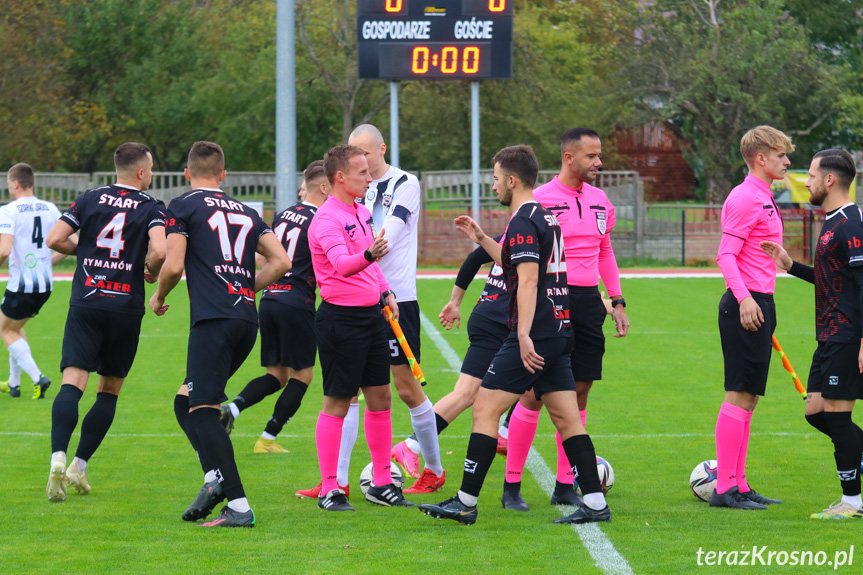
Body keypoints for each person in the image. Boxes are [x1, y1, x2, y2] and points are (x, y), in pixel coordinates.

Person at [419, 144, 610, 525]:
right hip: (559, 329)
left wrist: (522, 335)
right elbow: (513, 260)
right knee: (567, 418)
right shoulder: (545, 216)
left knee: (485, 408)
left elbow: (526, 279)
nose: (493, 188)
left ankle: (466, 500)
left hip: (536, 334)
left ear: (511, 180)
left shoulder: (523, 220)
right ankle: (594, 502)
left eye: (494, 180)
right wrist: (482, 240)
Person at [150, 141, 289, 528]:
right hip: (246, 320)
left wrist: (159, 295)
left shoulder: (181, 205)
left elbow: (174, 264)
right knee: (185, 402)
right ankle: (213, 479)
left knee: (205, 413)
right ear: (223, 175)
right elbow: (282, 261)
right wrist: (246, 288)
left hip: (213, 322)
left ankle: (238, 505)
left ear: (186, 174)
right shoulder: (247, 210)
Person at [502, 127, 630, 509]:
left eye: (600, 155)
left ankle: (564, 484)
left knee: (580, 390)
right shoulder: (537, 200)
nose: (599, 163)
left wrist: (617, 301)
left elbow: (605, 251)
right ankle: (511, 486)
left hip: (590, 303)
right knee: (532, 394)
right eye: (592, 156)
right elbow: (515, 257)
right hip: (550, 301)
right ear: (569, 158)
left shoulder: (600, 200)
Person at [43, 143, 167, 502]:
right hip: (125, 306)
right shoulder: (152, 207)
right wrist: (148, 269)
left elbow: (55, 239)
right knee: (109, 389)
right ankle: (79, 466)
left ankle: (58, 457)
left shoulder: (89, 197)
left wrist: (84, 253)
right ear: (141, 172)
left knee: (73, 381)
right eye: (152, 168)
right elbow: (159, 251)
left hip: (87, 301)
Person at [761, 149, 863, 519]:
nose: (807, 182)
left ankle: (852, 502)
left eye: (813, 175)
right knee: (815, 411)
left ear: (830, 180)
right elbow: (830, 279)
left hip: (848, 336)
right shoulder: (833, 221)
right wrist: (790, 266)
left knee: (837, 416)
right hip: (828, 336)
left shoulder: (851, 222)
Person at [308, 144, 411, 511]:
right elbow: (342, 264)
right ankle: (330, 488)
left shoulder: (360, 211)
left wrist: (386, 292)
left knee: (381, 398)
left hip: (370, 317)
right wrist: (371, 254)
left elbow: (369, 265)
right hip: (341, 320)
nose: (370, 178)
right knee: (338, 401)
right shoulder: (326, 219)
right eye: (363, 173)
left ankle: (382, 482)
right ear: (340, 177)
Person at [219, 160, 330, 453]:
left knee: (276, 375)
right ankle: (268, 439)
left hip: (269, 299)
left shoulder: (283, 215)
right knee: (302, 376)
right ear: (324, 187)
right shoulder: (322, 219)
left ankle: (232, 409)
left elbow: (261, 259)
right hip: (297, 302)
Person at [710, 125, 794, 510]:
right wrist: (745, 299)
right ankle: (725, 488)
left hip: (762, 302)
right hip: (746, 305)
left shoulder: (763, 196)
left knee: (750, 398)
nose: (787, 162)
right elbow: (725, 255)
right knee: (739, 393)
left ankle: (739, 484)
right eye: (781, 156)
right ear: (761, 158)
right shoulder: (745, 197)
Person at [0, 163, 62, 399]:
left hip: (22, 285)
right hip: (45, 285)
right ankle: (14, 384)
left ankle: (38, 378)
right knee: (16, 328)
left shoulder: (9, 210)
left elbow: (4, 250)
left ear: (15, 183)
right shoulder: (50, 208)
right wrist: (49, 261)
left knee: (5, 330)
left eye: (8, 183)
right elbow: (69, 240)